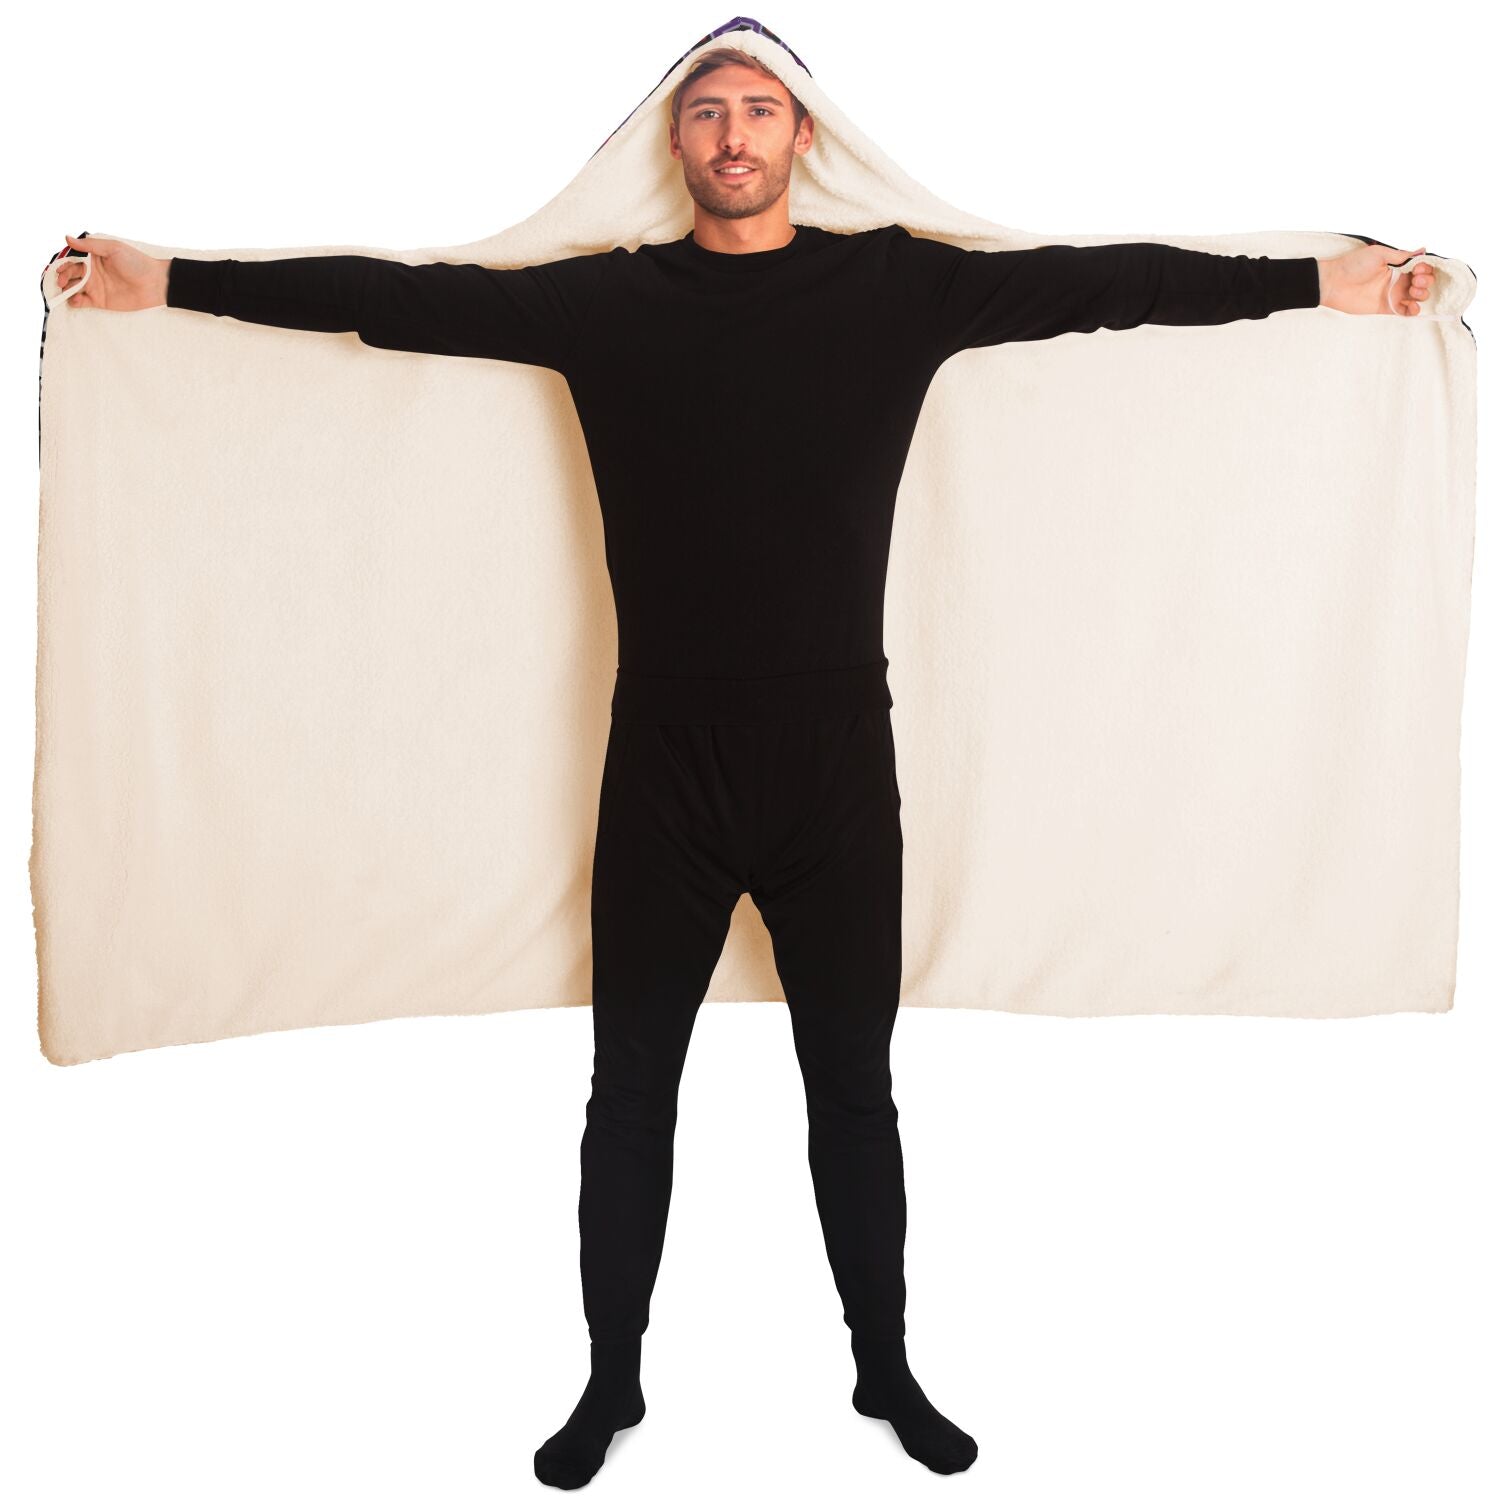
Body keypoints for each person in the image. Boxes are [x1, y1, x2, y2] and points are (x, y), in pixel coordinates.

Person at [52, 43, 1434, 1492]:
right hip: (665, 764)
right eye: (706, 112)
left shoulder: (897, 289)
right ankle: (611, 1382)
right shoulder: (606, 305)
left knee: (854, 1092)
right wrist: (172, 280)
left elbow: (1108, 283)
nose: (732, 135)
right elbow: (393, 301)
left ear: (800, 135)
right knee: (629, 1091)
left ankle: (886, 1368)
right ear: (673, 143)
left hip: (836, 765)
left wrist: (1322, 281)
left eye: (757, 111)